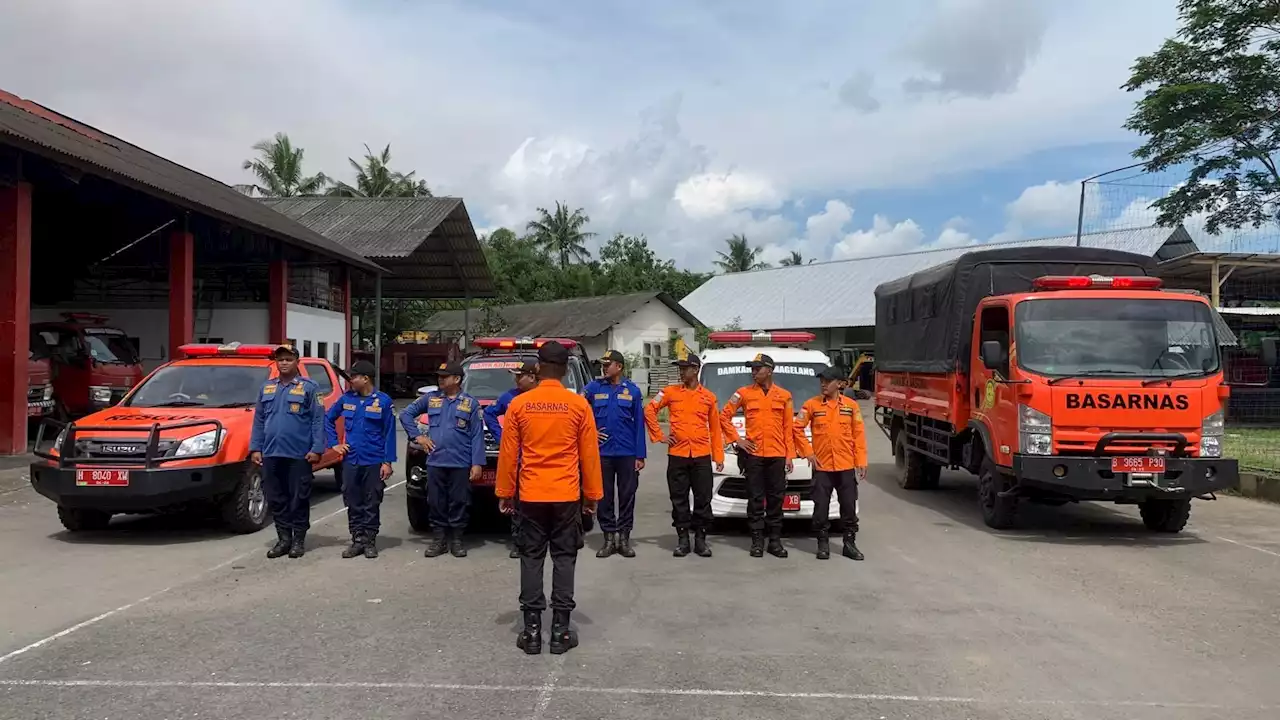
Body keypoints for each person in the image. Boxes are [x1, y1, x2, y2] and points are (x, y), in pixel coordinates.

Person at [495, 341, 603, 656]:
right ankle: (559, 631)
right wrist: (592, 496)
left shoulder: (520, 405)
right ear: (567, 370)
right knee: (564, 558)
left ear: (539, 368)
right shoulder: (579, 405)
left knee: (531, 558)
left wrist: (505, 492)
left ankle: (530, 632)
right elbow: (589, 456)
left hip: (531, 494)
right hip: (566, 494)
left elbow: (508, 455)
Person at [398, 361, 484, 559]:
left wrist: (477, 463)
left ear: (457, 379)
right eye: (439, 376)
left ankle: (456, 539)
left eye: (444, 377)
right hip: (436, 461)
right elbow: (406, 414)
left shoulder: (470, 404)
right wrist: (418, 437)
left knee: (459, 501)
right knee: (435, 501)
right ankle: (439, 539)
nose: (440, 379)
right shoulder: (431, 399)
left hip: (460, 462)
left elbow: (476, 435)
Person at [644, 354, 724, 557]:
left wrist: (719, 457)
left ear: (695, 369)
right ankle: (682, 540)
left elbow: (715, 428)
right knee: (678, 498)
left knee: (703, 498)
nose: (681, 372)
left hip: (701, 455)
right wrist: (659, 435)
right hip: (678, 454)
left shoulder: (708, 397)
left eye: (685, 368)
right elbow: (649, 410)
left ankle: (700, 539)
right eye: (680, 368)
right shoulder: (670, 392)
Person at [249, 344, 324, 559]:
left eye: (288, 359)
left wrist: (317, 448)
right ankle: (284, 539)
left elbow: (318, 419)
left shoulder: (310, 387)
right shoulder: (267, 388)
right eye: (280, 359)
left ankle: (298, 540)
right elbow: (259, 420)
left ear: (297, 362)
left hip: (299, 454)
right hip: (272, 453)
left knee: (298, 497)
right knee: (276, 497)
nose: (283, 363)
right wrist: (255, 447)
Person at [719, 352, 796, 558]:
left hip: (777, 455)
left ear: (769, 370)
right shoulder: (743, 393)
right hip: (754, 456)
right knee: (755, 499)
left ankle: (775, 542)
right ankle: (756, 541)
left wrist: (790, 455)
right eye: (752, 369)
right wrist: (737, 440)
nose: (753, 372)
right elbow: (724, 417)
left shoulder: (784, 395)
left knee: (776, 499)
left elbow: (788, 427)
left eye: (757, 368)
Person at [793, 366, 867, 561]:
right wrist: (808, 452)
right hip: (822, 467)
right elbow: (796, 429)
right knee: (821, 508)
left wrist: (861, 461)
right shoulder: (812, 405)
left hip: (845, 466)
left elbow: (858, 435)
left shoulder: (851, 406)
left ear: (840, 384)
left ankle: (849, 544)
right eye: (821, 381)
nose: (823, 384)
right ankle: (822, 544)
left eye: (828, 381)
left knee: (849, 507)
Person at [325, 360, 397, 559]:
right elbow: (328, 419)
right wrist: (335, 444)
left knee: (372, 500)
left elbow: (389, 433)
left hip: (374, 460)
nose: (350, 381)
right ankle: (357, 540)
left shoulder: (383, 401)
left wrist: (387, 462)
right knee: (352, 499)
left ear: (365, 379)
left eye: (354, 377)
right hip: (351, 460)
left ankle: (370, 540)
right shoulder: (346, 399)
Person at [582, 350, 646, 559]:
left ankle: (624, 538)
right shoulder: (593, 388)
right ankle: (609, 538)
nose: (603, 367)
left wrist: (640, 455)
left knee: (627, 496)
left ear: (618, 366)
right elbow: (578, 410)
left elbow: (639, 425)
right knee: (605, 496)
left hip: (627, 453)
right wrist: (591, 431)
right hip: (602, 453)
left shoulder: (633, 391)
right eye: (603, 364)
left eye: (607, 364)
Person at [485, 361, 539, 558]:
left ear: (532, 377)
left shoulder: (542, 397)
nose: (516, 380)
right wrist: (503, 438)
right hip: (517, 459)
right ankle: (518, 542)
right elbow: (489, 414)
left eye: (519, 376)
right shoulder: (509, 397)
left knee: (537, 502)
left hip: (539, 459)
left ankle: (537, 541)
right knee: (516, 501)